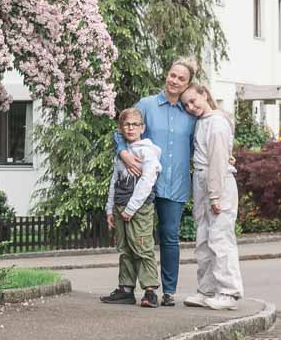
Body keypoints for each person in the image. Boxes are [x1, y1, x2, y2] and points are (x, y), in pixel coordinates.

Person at [114, 60, 198, 306]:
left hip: (177, 183)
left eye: (181, 79)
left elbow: (200, 143)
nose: (175, 81)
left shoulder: (190, 112)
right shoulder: (147, 105)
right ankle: (131, 288)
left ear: (188, 83)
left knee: (170, 236)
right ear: (167, 75)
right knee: (137, 237)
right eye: (173, 75)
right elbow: (121, 130)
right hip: (144, 185)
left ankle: (168, 291)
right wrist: (123, 153)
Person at [179, 84, 244, 310]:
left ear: (204, 94)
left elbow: (217, 161)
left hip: (217, 183)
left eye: (193, 101)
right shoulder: (203, 122)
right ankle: (207, 289)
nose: (191, 107)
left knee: (220, 238)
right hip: (203, 180)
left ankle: (229, 292)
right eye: (186, 104)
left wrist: (215, 196)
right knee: (204, 238)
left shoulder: (216, 123)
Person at [101, 108, 163, 307]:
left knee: (142, 248)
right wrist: (110, 209)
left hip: (139, 209)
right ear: (121, 128)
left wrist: (131, 208)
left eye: (135, 124)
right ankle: (126, 289)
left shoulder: (148, 152)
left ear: (142, 128)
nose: (130, 128)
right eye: (126, 124)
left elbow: (147, 182)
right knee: (125, 249)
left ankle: (150, 291)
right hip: (120, 206)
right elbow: (114, 181)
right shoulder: (122, 154)